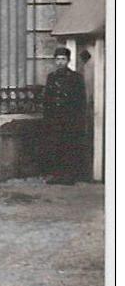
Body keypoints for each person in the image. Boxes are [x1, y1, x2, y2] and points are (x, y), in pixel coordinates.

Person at [41, 46, 90, 184]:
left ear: (68, 61)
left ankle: (69, 176)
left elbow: (80, 101)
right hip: (55, 119)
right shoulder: (51, 77)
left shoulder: (76, 78)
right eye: (58, 59)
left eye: (63, 59)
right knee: (55, 147)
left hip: (70, 120)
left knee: (69, 147)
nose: (60, 62)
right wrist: (48, 118)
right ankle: (56, 175)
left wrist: (78, 120)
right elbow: (47, 100)